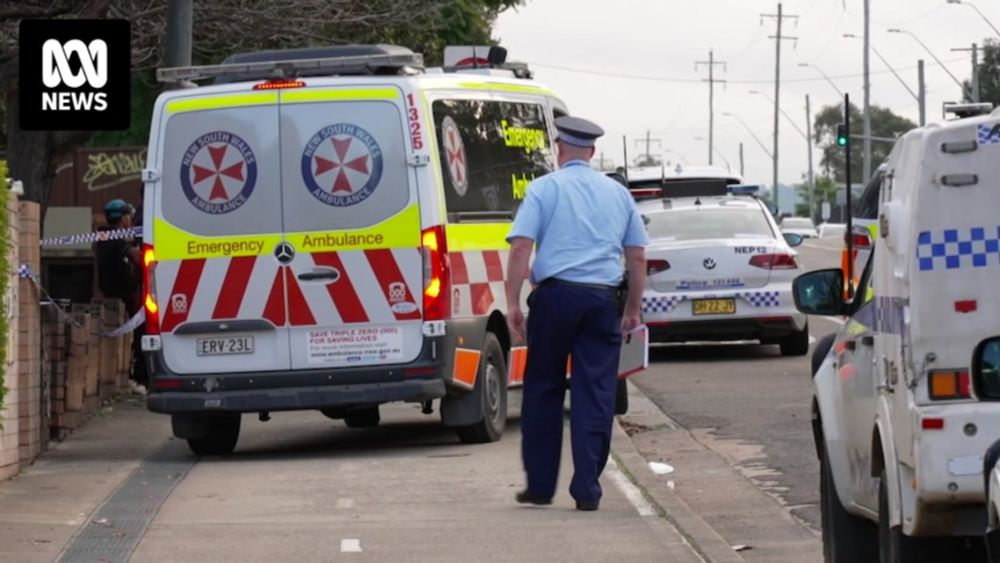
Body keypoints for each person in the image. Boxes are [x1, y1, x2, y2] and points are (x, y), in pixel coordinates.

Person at [505, 116, 648, 511]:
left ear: (559, 148)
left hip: (553, 299)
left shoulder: (543, 189)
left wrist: (514, 303)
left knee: (543, 389)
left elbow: (520, 248)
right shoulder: (618, 194)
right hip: (602, 302)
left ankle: (540, 486)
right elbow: (637, 256)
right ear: (593, 152)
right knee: (595, 393)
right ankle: (587, 488)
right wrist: (633, 309)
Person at [94, 199, 146, 388]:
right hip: (124, 299)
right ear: (123, 218)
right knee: (142, 331)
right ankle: (139, 376)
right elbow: (135, 263)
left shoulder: (104, 240)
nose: (130, 220)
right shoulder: (117, 243)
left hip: (115, 298)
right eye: (128, 217)